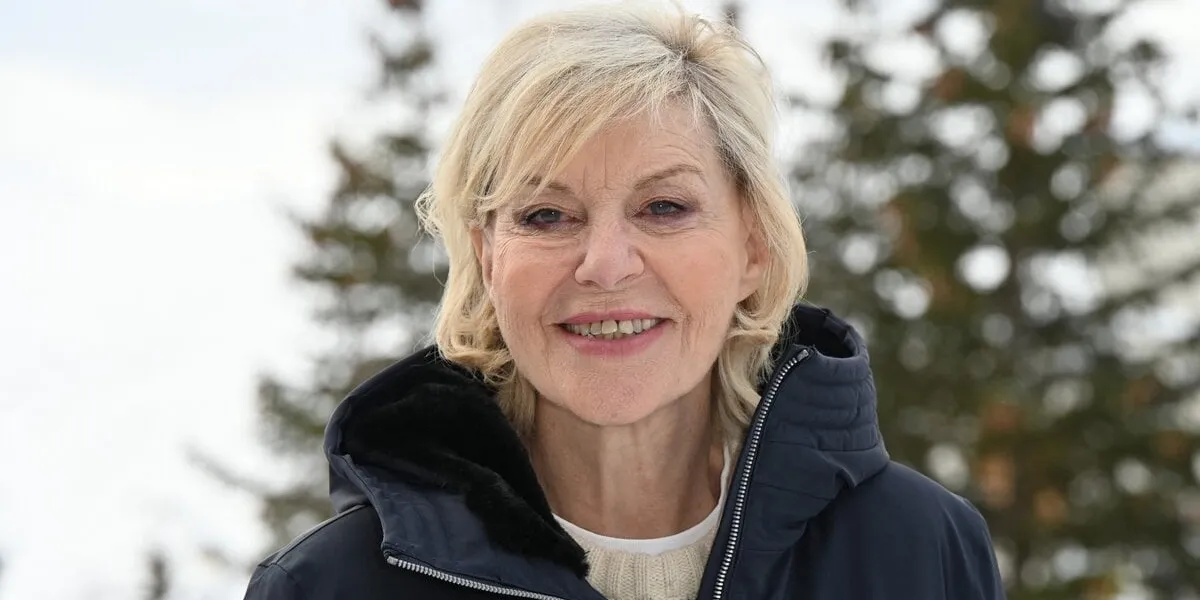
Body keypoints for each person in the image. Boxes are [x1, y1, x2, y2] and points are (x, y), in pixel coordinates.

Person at [243, 3, 1007, 599]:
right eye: (546, 215)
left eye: (664, 208)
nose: (605, 265)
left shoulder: (919, 548)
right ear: (486, 256)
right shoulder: (328, 588)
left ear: (753, 245)